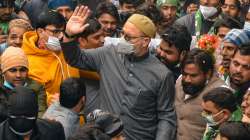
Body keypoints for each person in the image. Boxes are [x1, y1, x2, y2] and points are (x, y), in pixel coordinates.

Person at [62, 6, 176, 140]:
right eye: (123, 34)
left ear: (145, 41)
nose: (122, 40)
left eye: (129, 37)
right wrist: (69, 35)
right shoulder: (108, 54)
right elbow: (75, 58)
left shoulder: (161, 74)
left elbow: (166, 117)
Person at [21, 10, 80, 106]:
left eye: (63, 31)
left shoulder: (67, 49)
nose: (61, 36)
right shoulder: (27, 61)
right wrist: (51, 99)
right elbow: (34, 93)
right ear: (40, 32)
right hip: (49, 114)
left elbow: (86, 65)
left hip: (77, 112)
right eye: (55, 31)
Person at [175, 48, 225, 140]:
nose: (187, 79)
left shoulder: (220, 92)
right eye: (185, 74)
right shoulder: (180, 81)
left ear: (208, 74)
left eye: (193, 76)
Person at [0, 86, 65, 140]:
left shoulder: (54, 130)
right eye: (17, 116)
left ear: (36, 112)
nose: (22, 121)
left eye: (28, 116)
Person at [0, 47, 46, 120]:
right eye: (13, 70)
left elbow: (41, 116)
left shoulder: (37, 88)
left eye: (22, 70)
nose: (18, 75)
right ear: (3, 72)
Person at [77, 18, 104, 115]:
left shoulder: (102, 54)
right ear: (82, 41)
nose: (102, 40)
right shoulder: (76, 63)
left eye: (103, 35)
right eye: (97, 37)